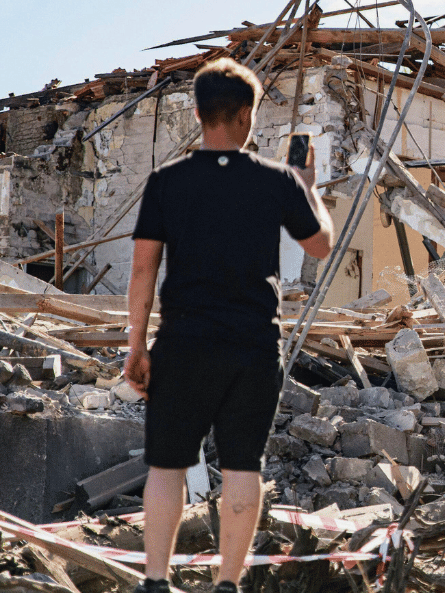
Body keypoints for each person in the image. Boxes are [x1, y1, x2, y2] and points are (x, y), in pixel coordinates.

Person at [123, 58, 335, 593]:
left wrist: (136, 346)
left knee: (167, 466)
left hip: (182, 343)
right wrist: (309, 188)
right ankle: (226, 584)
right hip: (252, 346)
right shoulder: (278, 180)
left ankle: (155, 581)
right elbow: (321, 244)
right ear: (246, 116)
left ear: (197, 114)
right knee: (244, 466)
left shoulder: (165, 182)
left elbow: (143, 268)